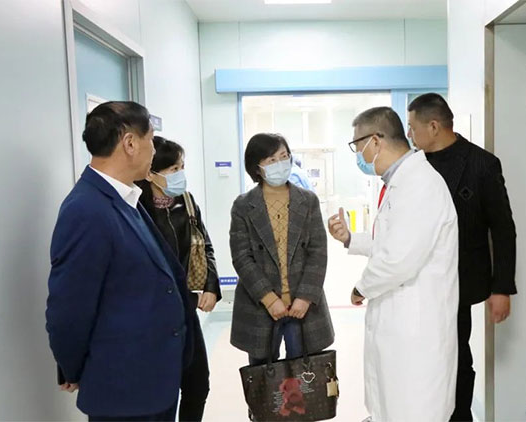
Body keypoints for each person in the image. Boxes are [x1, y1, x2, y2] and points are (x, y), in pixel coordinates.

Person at [45, 102, 195, 422]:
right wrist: (73, 367)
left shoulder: (125, 199)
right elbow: (68, 309)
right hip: (123, 391)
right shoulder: (86, 210)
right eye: (150, 140)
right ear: (130, 143)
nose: (153, 150)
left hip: (152, 382)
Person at [328, 107, 459, 421]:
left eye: (357, 146)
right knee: (393, 404)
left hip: (416, 330)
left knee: (412, 407)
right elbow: (393, 243)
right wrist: (351, 239)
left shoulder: (420, 184)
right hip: (401, 325)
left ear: (375, 141)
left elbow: (398, 260)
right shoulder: (401, 183)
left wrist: (361, 287)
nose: (358, 156)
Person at [407, 93, 517, 421]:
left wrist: (502, 288)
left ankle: (459, 416)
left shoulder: (482, 164)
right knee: (421, 358)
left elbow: (503, 230)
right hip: (417, 282)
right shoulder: (413, 166)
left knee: (456, 356)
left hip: (460, 282)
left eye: (412, 127)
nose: (410, 134)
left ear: (433, 126)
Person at [229, 133, 334, 384]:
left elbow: (318, 252)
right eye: (271, 160)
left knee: (306, 379)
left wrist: (305, 297)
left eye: (284, 156)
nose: (280, 164)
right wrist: (269, 299)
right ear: (257, 167)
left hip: (302, 306)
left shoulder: (307, 201)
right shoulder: (243, 205)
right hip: (261, 306)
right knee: (265, 382)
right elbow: (242, 256)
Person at [136, 136, 221, 422]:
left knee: (198, 384)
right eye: (173, 169)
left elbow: (204, 243)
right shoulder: (136, 209)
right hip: (154, 315)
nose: (180, 174)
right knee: (163, 390)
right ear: (151, 173)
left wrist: (211, 286)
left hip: (185, 307)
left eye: (182, 167)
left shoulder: (186, 201)